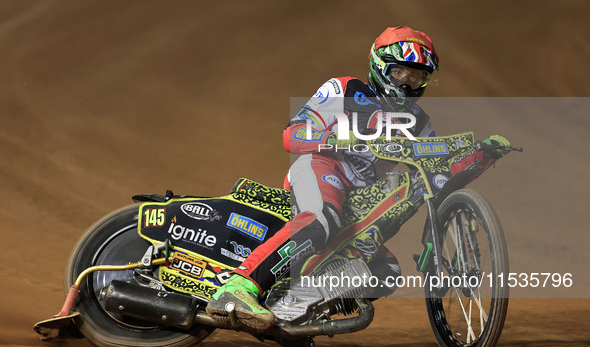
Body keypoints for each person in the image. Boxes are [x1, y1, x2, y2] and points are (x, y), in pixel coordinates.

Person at [206, 26, 511, 331]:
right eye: (399, 73)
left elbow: (438, 176)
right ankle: (237, 289)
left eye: (416, 77)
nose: (406, 84)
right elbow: (292, 134)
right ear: (379, 67)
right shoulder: (344, 90)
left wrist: (480, 157)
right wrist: (336, 138)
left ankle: (291, 311)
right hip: (322, 168)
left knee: (385, 270)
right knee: (321, 220)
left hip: (363, 198)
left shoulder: (419, 121)